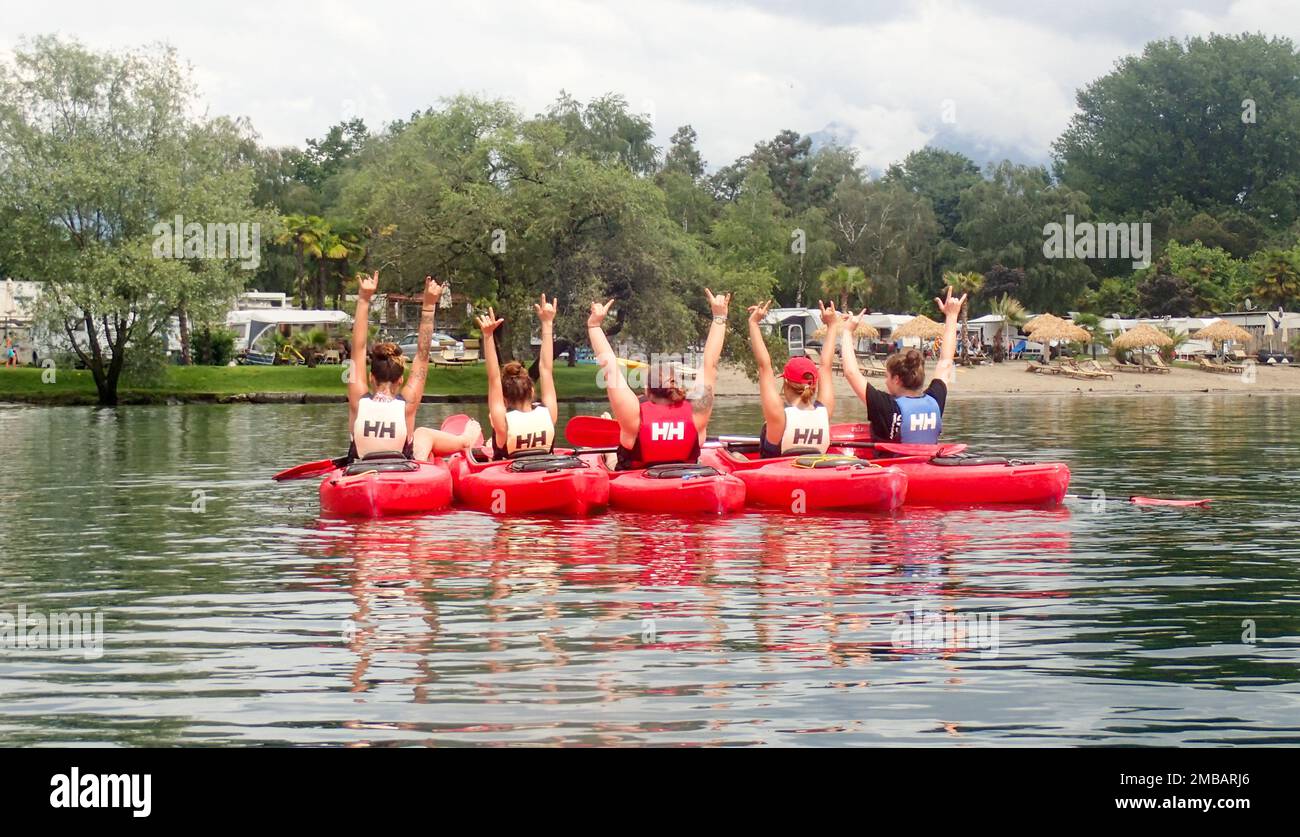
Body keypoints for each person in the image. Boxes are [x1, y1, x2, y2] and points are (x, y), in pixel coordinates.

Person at [587, 289, 730, 469]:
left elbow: (610, 369)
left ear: (647, 391)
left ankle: (608, 447)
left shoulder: (633, 417)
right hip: (684, 481)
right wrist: (719, 317)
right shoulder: (697, 413)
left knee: (613, 452)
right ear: (677, 386)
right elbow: (710, 365)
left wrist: (594, 326)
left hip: (637, 486)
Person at [347, 271, 480, 462]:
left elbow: (357, 351)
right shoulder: (407, 404)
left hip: (360, 470)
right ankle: (464, 441)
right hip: (400, 472)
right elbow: (423, 355)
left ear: (371, 377)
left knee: (422, 435)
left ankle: (460, 441)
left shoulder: (357, 400)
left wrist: (363, 299)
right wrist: (428, 307)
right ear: (400, 380)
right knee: (423, 434)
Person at [839, 286, 966, 445]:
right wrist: (952, 316)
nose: (885, 382)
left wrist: (847, 332)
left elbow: (851, 373)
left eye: (887, 376)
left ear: (897, 379)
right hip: (928, 466)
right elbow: (946, 361)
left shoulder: (886, 407)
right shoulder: (935, 400)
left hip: (894, 467)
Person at [747, 299, 838, 457]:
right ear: (815, 384)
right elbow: (826, 367)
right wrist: (832, 325)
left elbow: (764, 366)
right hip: (811, 477)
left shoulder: (778, 415)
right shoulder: (825, 412)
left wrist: (754, 323)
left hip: (777, 479)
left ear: (786, 383)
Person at [476, 294, 559, 459]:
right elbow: (546, 369)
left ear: (504, 399)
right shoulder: (549, 415)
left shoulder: (502, 424)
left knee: (486, 443)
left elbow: (493, 378)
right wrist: (547, 323)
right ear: (532, 391)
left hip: (510, 480)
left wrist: (488, 336)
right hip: (544, 474)